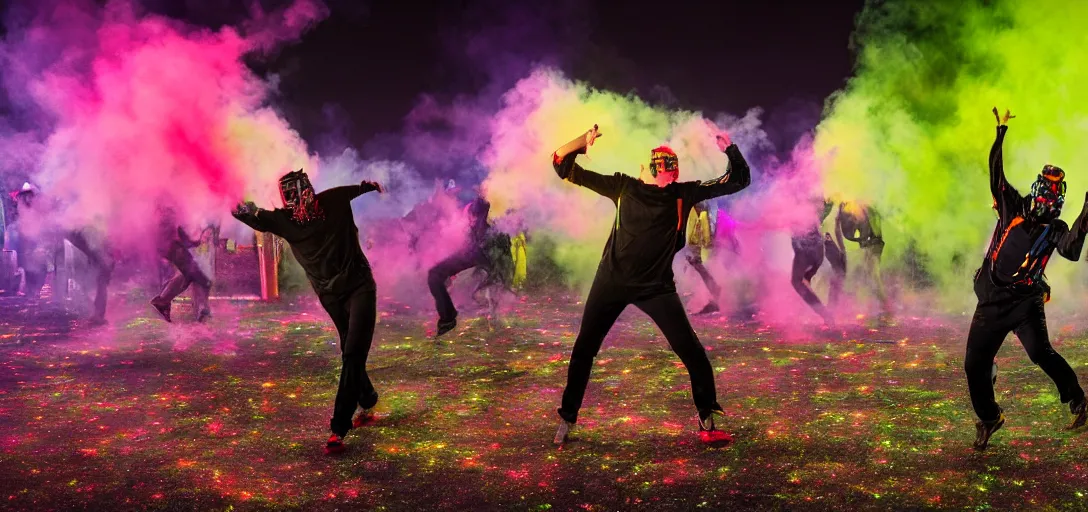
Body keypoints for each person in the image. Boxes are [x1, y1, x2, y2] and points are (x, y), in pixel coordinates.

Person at [550, 124, 750, 446]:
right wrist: (580, 143)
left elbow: (738, 180)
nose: (655, 172)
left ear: (661, 173)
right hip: (611, 283)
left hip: (656, 288)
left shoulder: (681, 193)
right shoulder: (623, 187)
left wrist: (730, 149)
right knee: (585, 347)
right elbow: (562, 163)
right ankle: (567, 418)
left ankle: (706, 420)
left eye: (661, 169)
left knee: (693, 353)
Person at [232, 170, 384, 454]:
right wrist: (229, 192)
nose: (295, 200)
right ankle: (367, 397)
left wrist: (372, 186)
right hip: (330, 296)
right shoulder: (284, 220)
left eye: (297, 193)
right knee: (350, 348)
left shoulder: (333, 200)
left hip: (359, 287)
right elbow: (247, 213)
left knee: (353, 352)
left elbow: (357, 189)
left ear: (309, 191)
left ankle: (339, 427)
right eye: (289, 196)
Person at [967, 108, 1088, 450]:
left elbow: (1072, 249)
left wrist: (1087, 210)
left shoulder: (1055, 228)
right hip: (991, 302)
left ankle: (1078, 400)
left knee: (1040, 352)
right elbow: (996, 173)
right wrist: (1001, 131)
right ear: (1037, 189)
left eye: (1055, 193)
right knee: (974, 366)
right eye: (1045, 191)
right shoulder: (1012, 205)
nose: (1049, 199)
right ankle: (990, 419)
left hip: (1025, 302)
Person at [427, 193, 494, 338]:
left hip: (483, 259)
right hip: (474, 254)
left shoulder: (493, 222)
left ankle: (449, 318)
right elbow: (468, 245)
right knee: (434, 275)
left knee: (436, 275)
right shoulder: (474, 219)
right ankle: (448, 318)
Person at [149, 207, 212, 323]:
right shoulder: (169, 207)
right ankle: (202, 311)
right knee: (200, 277)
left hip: (170, 246)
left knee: (190, 275)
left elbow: (179, 232)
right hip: (170, 246)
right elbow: (173, 230)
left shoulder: (170, 206)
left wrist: (194, 240)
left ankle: (164, 301)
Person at [789, 198, 844, 326]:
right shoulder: (809, 202)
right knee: (805, 281)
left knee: (797, 282)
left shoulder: (801, 201)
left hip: (807, 248)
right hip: (816, 249)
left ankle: (826, 315)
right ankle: (822, 313)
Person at [836, 200, 890, 320]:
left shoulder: (869, 209)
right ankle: (878, 309)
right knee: (869, 277)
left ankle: (886, 310)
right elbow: (850, 231)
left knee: (874, 277)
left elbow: (874, 231)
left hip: (874, 246)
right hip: (867, 247)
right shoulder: (856, 210)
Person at [685, 202, 722, 315]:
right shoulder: (702, 213)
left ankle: (715, 296)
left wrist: (706, 243)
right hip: (698, 246)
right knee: (700, 269)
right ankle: (712, 297)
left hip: (701, 246)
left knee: (702, 268)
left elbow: (705, 230)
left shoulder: (703, 213)